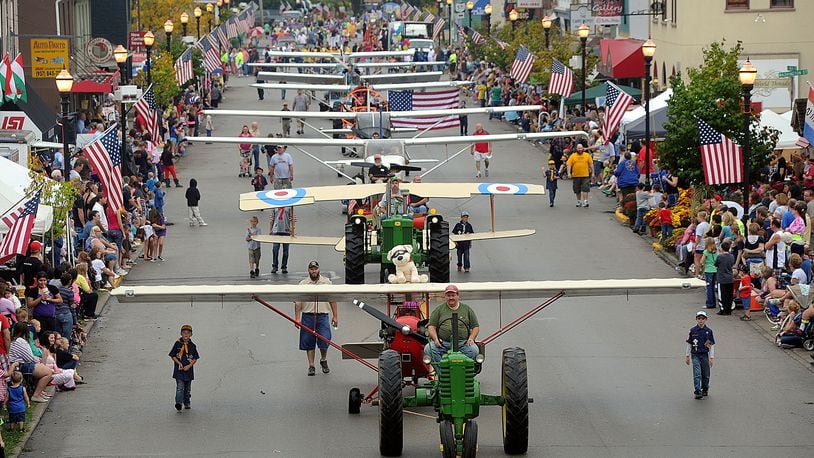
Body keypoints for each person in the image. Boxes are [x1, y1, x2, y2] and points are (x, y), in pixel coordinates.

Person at [294, 261, 339, 376]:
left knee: (324, 340)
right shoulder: (303, 284)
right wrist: (297, 318)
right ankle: (311, 365)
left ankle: (323, 359)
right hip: (308, 316)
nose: (314, 271)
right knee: (308, 342)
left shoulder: (326, 283)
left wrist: (335, 316)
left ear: (319, 269)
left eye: (315, 269)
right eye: (311, 269)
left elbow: (332, 299)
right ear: (308, 270)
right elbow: (298, 303)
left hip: (322, 315)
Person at [425, 284, 480, 364]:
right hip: (443, 344)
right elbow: (431, 327)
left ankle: (464, 371)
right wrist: (436, 340)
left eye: (453, 295)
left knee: (474, 350)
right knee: (428, 349)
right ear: (445, 297)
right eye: (448, 295)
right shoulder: (439, 310)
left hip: (462, 343)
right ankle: (442, 371)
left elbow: (475, 327)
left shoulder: (467, 309)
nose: (451, 298)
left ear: (458, 296)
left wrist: (471, 338)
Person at [685, 310, 715, 400]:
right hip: (695, 355)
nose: (701, 320)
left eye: (703, 318)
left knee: (705, 374)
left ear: (706, 319)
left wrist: (711, 357)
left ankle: (705, 388)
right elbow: (689, 343)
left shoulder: (708, 331)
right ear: (696, 319)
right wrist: (687, 356)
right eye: (699, 318)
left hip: (704, 355)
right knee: (697, 373)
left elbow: (711, 345)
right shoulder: (693, 330)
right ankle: (697, 391)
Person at [169, 324, 199, 411]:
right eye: (184, 333)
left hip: (188, 371)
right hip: (179, 371)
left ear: (191, 335)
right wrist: (179, 363)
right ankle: (178, 403)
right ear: (181, 334)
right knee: (180, 388)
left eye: (188, 333)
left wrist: (189, 366)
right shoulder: (177, 343)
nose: (186, 335)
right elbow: (173, 355)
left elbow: (195, 358)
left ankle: (187, 402)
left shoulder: (192, 346)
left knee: (187, 389)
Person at [714, 240, 735, 315]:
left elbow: (715, 264)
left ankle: (723, 309)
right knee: (729, 294)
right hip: (730, 278)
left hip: (721, 278)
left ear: (722, 248)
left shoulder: (720, 257)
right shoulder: (732, 256)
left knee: (722, 294)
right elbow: (732, 264)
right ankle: (729, 309)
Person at [269, 206, 292, 274]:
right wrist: (270, 229)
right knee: (275, 249)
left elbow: (291, 219)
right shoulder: (274, 207)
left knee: (286, 251)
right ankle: (275, 266)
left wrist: (292, 229)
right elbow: (272, 219)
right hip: (276, 231)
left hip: (286, 231)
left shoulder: (289, 207)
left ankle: (284, 267)